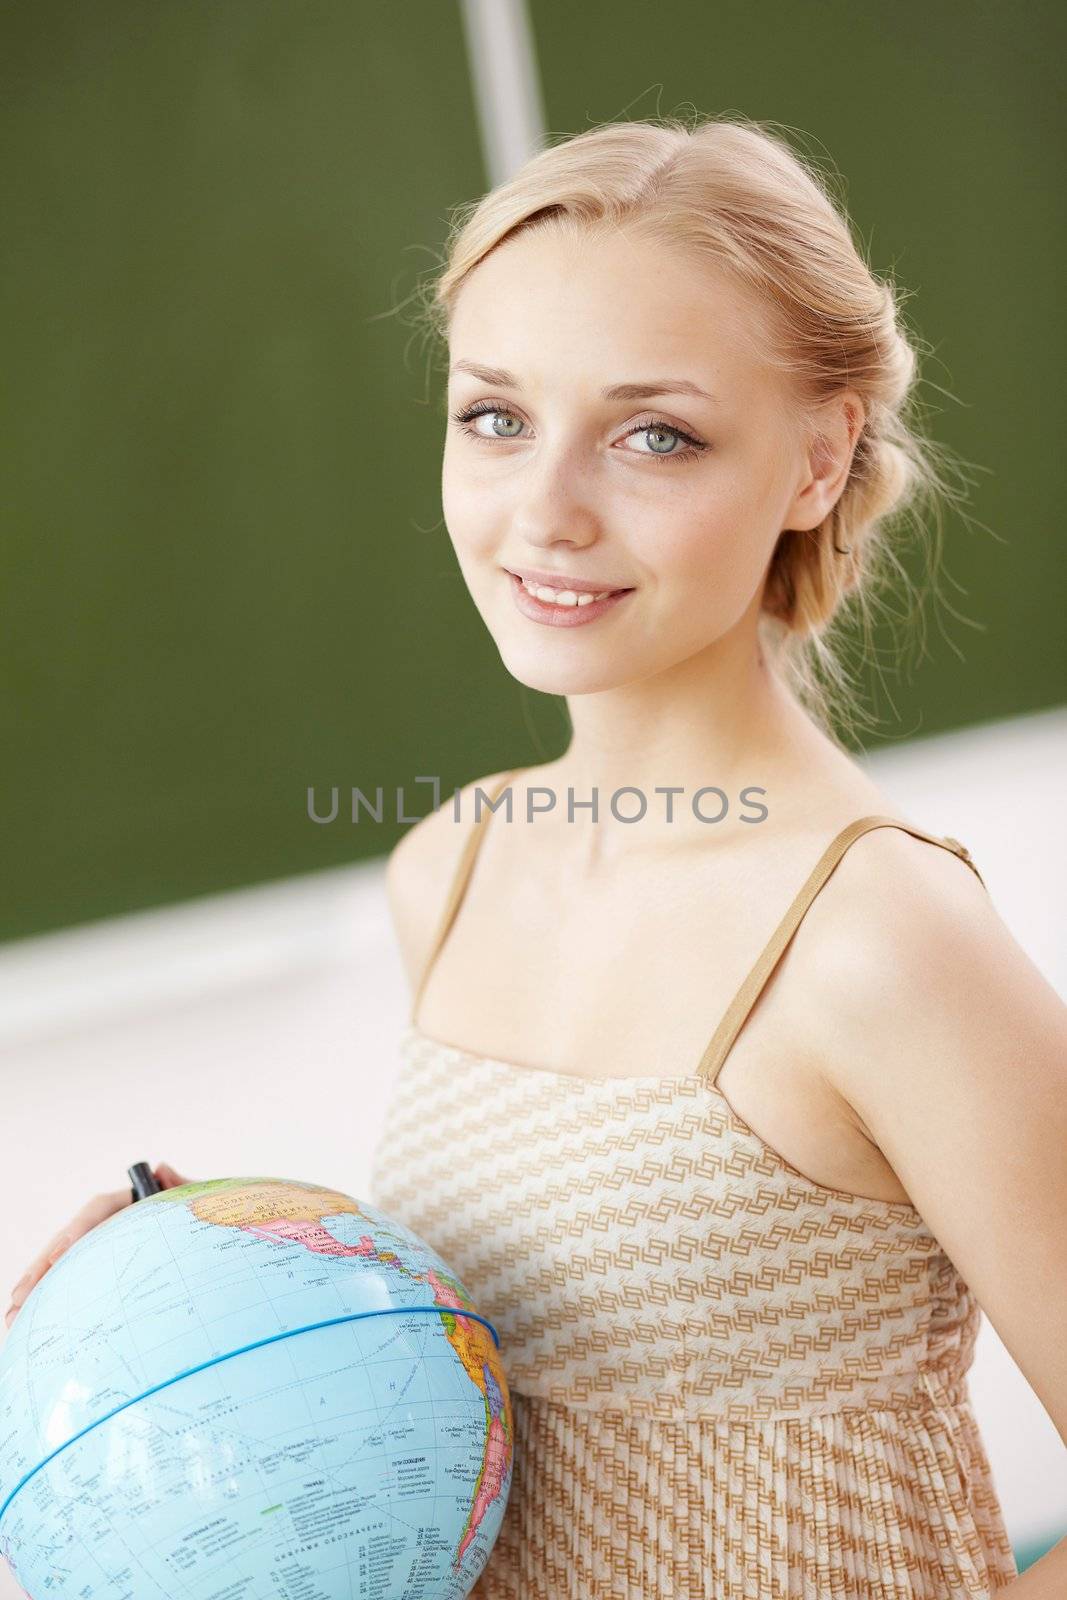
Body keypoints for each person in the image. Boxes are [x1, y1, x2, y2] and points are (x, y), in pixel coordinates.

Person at [7, 115, 1065, 1598]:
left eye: (655, 435)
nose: (546, 513)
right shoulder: (452, 868)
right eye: (496, 417)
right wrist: (195, 1302)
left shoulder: (877, 935)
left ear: (820, 460)